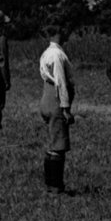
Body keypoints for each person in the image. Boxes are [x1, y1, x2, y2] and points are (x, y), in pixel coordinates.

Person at [37, 22, 76, 193]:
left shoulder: (47, 52)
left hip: (46, 98)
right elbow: (61, 83)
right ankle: (55, 186)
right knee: (58, 146)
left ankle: (51, 184)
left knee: (53, 143)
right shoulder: (57, 55)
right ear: (59, 32)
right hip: (56, 101)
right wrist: (66, 109)